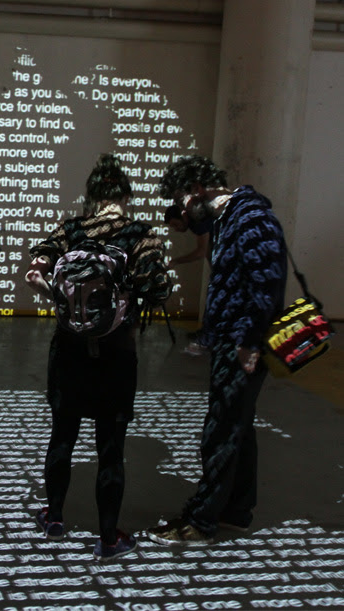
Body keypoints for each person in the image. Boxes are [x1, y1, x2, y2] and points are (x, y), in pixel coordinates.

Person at [25, 154, 171, 561]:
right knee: (110, 448)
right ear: (125, 196)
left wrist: (51, 288)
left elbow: (37, 266)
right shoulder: (141, 234)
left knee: (62, 437)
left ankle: (54, 518)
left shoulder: (70, 230)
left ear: (91, 196)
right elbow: (159, 290)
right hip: (116, 355)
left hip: (68, 351)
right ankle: (108, 538)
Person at [146, 155, 287, 546]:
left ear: (196, 190)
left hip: (241, 344)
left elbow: (267, 284)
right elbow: (233, 285)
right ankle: (236, 512)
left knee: (220, 432)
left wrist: (248, 343)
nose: (183, 212)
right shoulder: (229, 220)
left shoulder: (251, 219)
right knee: (237, 428)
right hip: (231, 340)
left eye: (181, 200)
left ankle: (201, 522)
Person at [163, 204, 212, 356]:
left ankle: (208, 337)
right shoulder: (195, 223)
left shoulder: (198, 222)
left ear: (184, 216)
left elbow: (201, 251)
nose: (176, 229)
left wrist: (176, 261)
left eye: (176, 225)